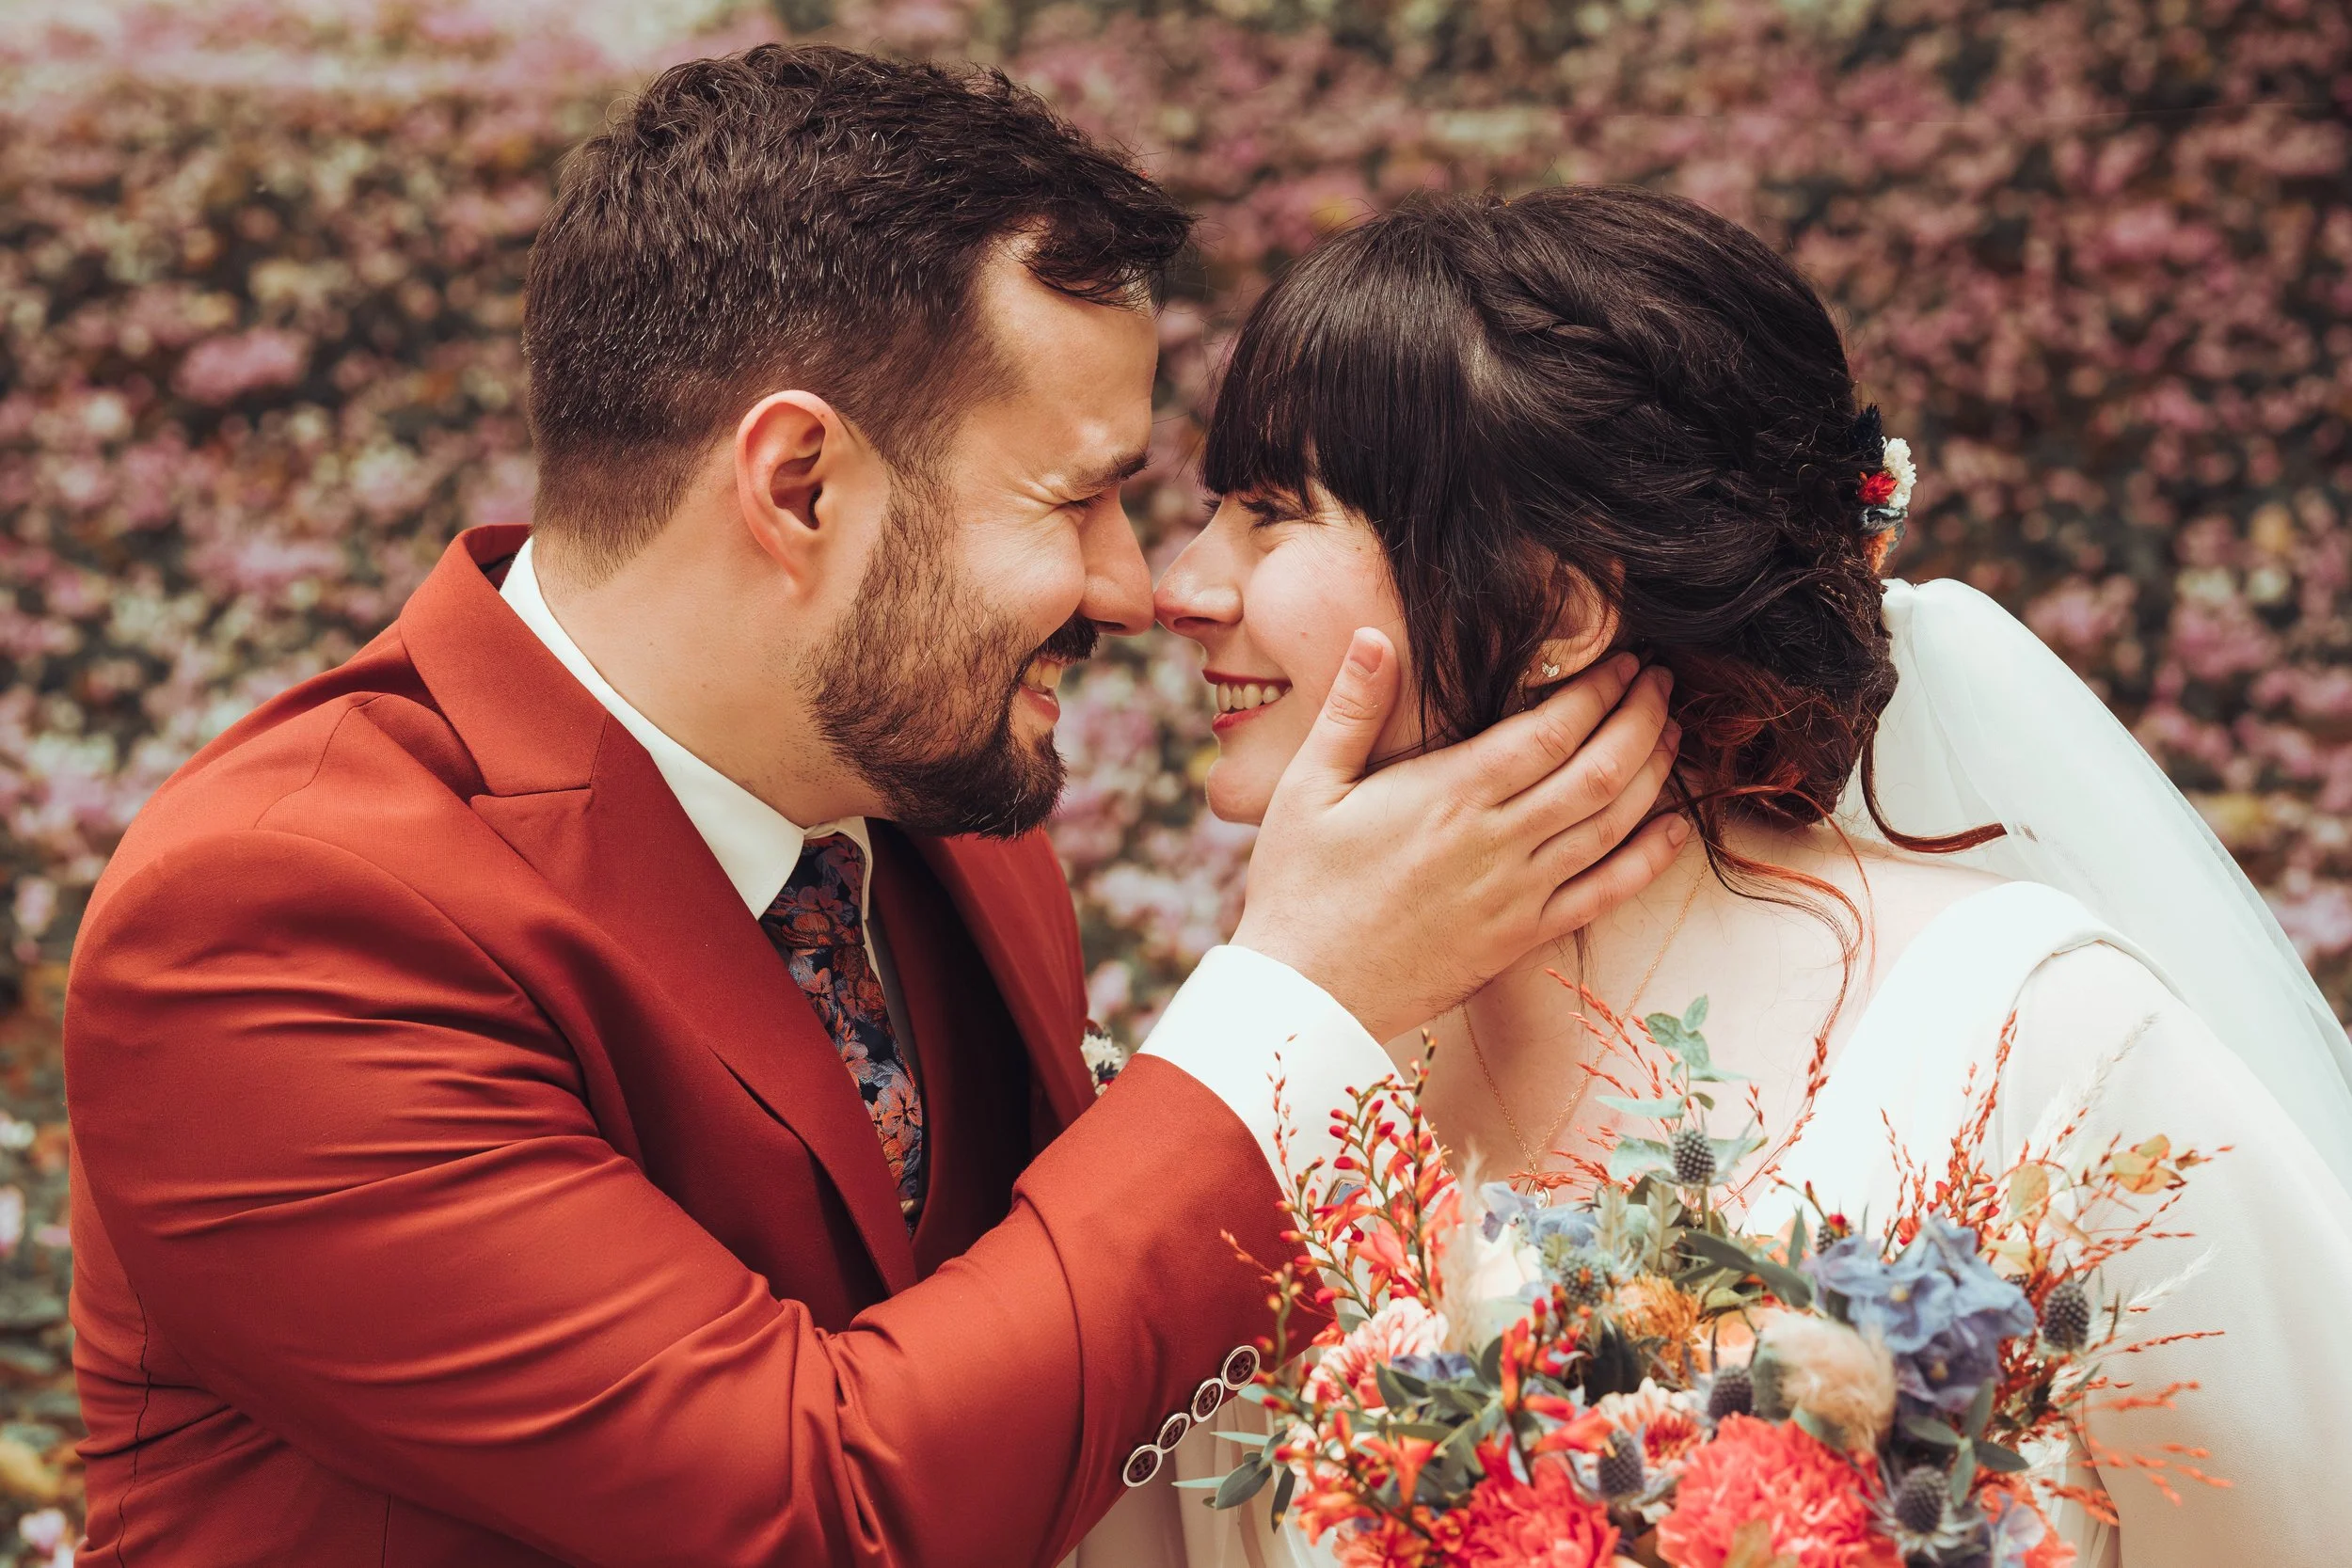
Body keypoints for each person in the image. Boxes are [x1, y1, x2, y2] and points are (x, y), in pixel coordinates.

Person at [59, 50, 1689, 1568]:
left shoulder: (931, 793)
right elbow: (820, 1505)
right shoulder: (274, 921)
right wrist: (1298, 1001)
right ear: (799, 488)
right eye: (1078, 497)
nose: (1136, 587)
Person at [1150, 184, 2352, 1566]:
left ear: (1556, 608)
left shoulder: (2037, 1045)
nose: (1180, 584)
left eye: (1266, 512)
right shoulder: (1273, 1052)